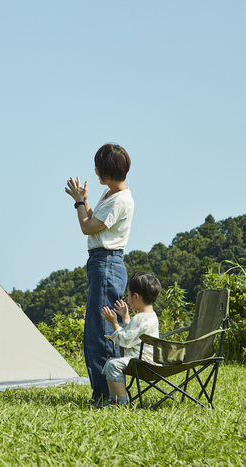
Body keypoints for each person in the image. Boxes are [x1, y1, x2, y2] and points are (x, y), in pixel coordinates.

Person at [65, 143, 134, 406]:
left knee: (101, 333)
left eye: (98, 168)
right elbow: (95, 221)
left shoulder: (120, 200)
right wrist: (85, 200)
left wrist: (79, 202)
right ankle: (107, 393)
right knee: (98, 329)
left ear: (105, 172)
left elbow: (87, 226)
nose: (95, 172)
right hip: (102, 263)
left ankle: (110, 396)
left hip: (106, 263)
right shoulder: (112, 194)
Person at [100, 272, 161, 408]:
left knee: (113, 364)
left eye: (128, 295)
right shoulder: (150, 316)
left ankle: (121, 402)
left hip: (142, 361)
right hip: (147, 359)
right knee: (111, 363)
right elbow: (133, 334)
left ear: (136, 296)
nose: (127, 299)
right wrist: (126, 317)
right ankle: (113, 400)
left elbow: (125, 340)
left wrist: (114, 322)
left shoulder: (140, 318)